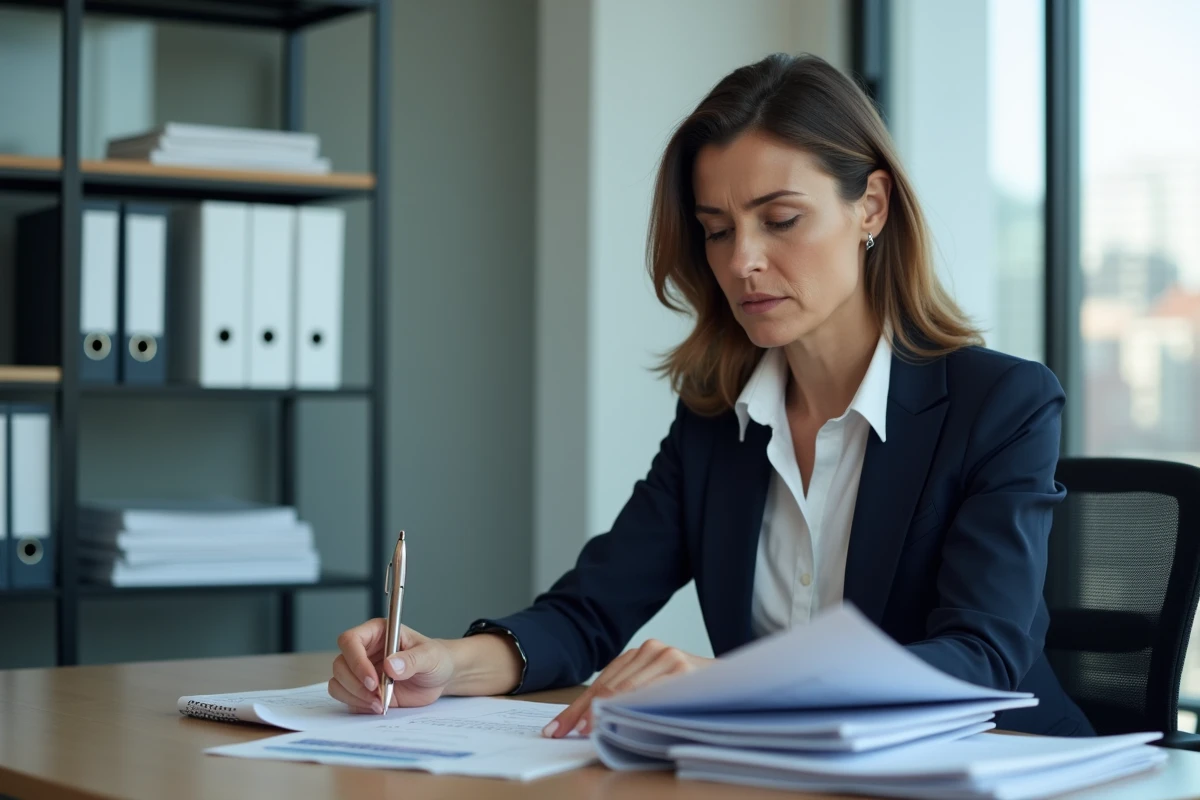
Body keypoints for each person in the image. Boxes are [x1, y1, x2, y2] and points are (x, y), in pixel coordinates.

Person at [329, 52, 1094, 739]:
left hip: (1001, 774)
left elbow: (982, 656)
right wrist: (441, 664)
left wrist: (735, 686)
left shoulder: (1002, 404)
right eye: (717, 230)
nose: (743, 262)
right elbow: (588, 612)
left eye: (781, 219)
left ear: (871, 206)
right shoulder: (716, 421)